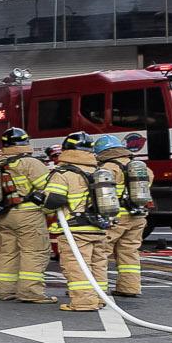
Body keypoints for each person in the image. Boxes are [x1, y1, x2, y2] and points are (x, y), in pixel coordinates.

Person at [40, 131, 112, 312]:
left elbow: (50, 203)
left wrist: (43, 205)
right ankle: (99, 299)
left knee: (77, 266)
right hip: (99, 227)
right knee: (98, 264)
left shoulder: (63, 173)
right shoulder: (98, 171)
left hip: (75, 229)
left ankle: (83, 302)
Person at [0, 127, 53, 303]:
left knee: (8, 253)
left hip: (5, 216)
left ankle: (5, 291)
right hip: (29, 215)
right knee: (34, 252)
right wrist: (48, 213)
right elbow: (48, 190)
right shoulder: (31, 164)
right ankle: (31, 293)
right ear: (26, 142)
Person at [95, 134, 153, 297]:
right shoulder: (142, 167)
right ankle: (130, 287)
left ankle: (96, 290)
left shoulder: (107, 168)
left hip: (114, 217)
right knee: (129, 251)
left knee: (100, 253)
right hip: (138, 215)